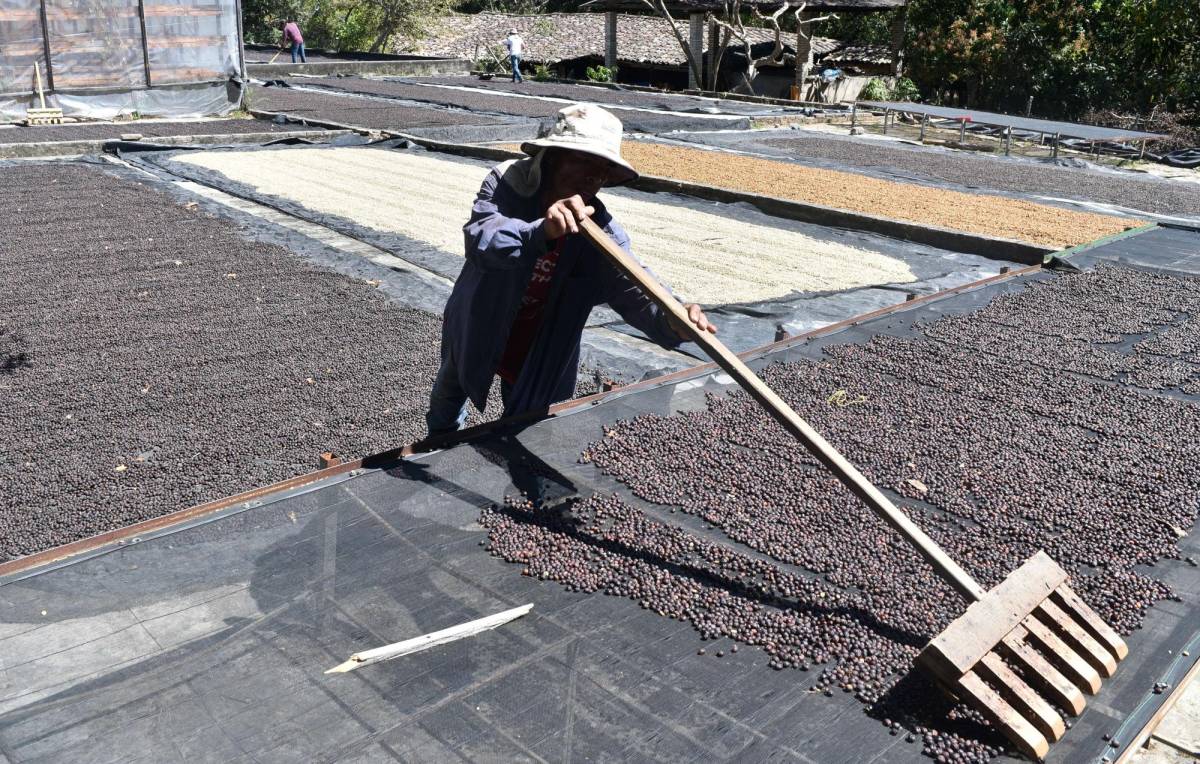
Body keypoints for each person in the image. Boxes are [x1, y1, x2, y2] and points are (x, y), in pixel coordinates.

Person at [425, 103, 716, 438]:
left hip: (541, 342)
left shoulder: (601, 233)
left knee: (524, 430)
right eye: (583, 161)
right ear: (551, 157)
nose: (593, 176)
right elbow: (482, 240)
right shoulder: (509, 184)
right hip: (479, 317)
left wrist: (673, 319)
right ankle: (437, 447)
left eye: (602, 169)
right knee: (450, 394)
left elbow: (634, 287)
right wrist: (541, 232)